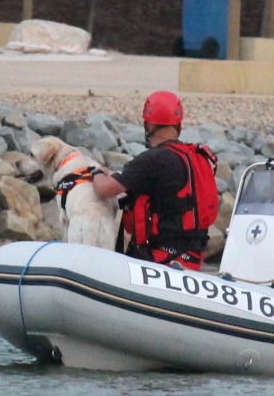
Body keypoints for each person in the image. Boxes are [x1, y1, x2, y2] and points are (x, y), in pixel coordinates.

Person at [92, 91, 220, 269]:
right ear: (179, 125)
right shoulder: (193, 156)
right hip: (191, 260)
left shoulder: (153, 160)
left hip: (161, 261)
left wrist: (97, 172)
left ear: (147, 124)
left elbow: (103, 189)